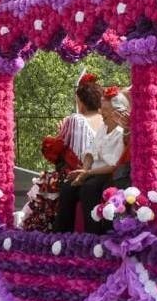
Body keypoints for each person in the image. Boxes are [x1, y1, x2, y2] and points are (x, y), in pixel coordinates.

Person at [69, 87, 130, 233]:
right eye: (101, 109)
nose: (101, 113)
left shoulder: (121, 132)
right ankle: (63, 233)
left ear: (117, 112)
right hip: (92, 171)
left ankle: (94, 235)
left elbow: (113, 165)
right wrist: (84, 170)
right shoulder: (103, 127)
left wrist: (88, 173)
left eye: (106, 110)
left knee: (88, 188)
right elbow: (91, 152)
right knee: (67, 187)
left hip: (107, 173)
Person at [53, 75, 106, 233]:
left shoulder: (77, 120)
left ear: (82, 102)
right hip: (88, 168)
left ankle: (60, 232)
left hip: (87, 169)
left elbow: (62, 145)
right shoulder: (105, 120)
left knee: (51, 184)